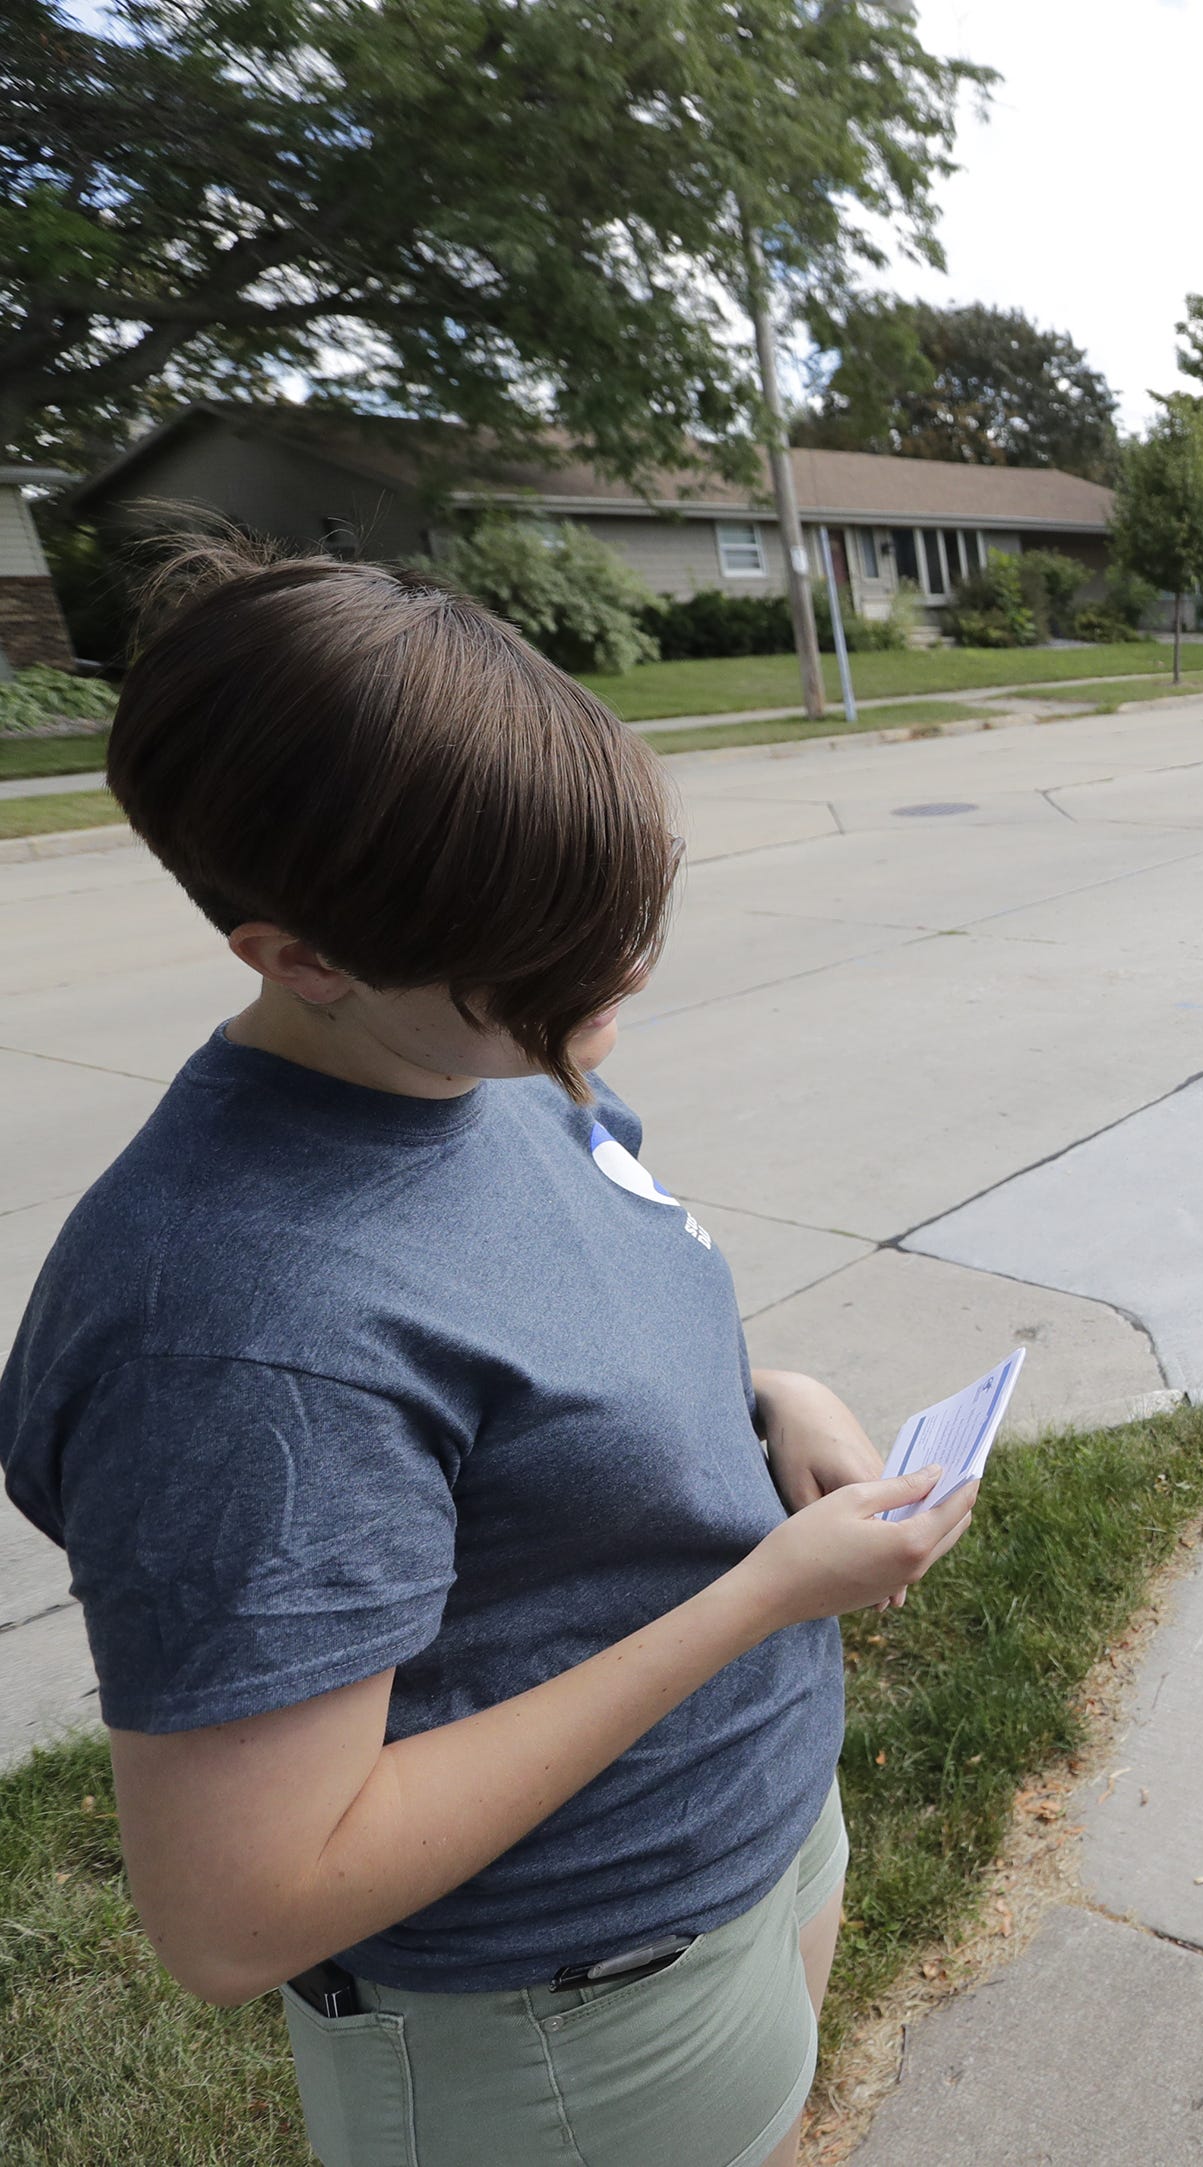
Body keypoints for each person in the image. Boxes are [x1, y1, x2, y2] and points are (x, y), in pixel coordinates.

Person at [0, 546, 973, 2167]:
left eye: (622, 923)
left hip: (744, 1850)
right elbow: (242, 1915)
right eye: (546, 967)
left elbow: (546, 1334)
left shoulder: (477, 1060)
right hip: (564, 2011)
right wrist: (756, 1597)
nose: (616, 988)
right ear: (295, 953)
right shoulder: (239, 1341)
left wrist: (762, 1399)